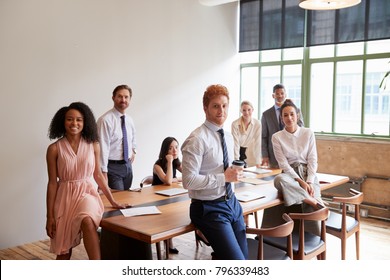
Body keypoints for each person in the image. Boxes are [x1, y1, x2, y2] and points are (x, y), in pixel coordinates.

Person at [46, 102, 129, 260]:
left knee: (87, 219)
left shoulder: (93, 145)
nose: (74, 123)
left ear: (85, 123)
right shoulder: (54, 149)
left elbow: (98, 174)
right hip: (64, 198)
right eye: (70, 119)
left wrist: (113, 200)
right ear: (63, 122)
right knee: (63, 252)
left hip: (87, 193)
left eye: (79, 120)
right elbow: (52, 183)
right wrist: (49, 216)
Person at [181, 84, 248, 260]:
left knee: (244, 260)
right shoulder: (197, 139)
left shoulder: (228, 136)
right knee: (237, 262)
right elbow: (188, 181)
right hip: (208, 208)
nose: (221, 110)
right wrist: (222, 177)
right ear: (205, 108)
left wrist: (235, 173)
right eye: (216, 106)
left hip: (232, 203)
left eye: (224, 105)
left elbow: (226, 169)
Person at [272, 99, 325, 234]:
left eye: (292, 114)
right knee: (278, 180)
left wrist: (309, 181)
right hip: (290, 175)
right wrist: (299, 182)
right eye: (285, 115)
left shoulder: (308, 133)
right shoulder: (276, 137)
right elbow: (283, 164)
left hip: (308, 173)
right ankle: (309, 199)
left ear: (297, 115)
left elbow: (313, 159)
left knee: (316, 214)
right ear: (281, 117)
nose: (289, 118)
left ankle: (316, 241)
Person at [97, 84, 137, 191]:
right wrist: (103, 173)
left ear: (130, 99)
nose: (123, 100)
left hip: (127, 166)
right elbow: (102, 149)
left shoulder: (129, 120)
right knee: (117, 200)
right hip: (112, 168)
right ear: (113, 98)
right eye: (119, 96)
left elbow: (133, 137)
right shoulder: (105, 120)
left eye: (126, 97)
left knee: (126, 198)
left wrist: (134, 150)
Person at [261, 84, 304, 168]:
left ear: (286, 95)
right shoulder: (266, 114)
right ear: (273, 95)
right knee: (274, 179)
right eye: (277, 93)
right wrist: (265, 155)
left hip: (293, 154)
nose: (280, 96)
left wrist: (292, 108)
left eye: (282, 93)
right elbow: (263, 136)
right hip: (274, 156)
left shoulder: (296, 110)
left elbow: (301, 128)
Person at [152, 136, 183, 254]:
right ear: (165, 151)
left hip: (170, 196)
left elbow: (188, 175)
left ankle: (169, 244)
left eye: (176, 147)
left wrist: (175, 178)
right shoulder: (158, 165)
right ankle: (168, 244)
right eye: (171, 148)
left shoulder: (176, 162)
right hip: (157, 198)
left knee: (173, 215)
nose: (175, 151)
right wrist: (169, 162)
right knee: (168, 217)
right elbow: (168, 181)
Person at [231, 100, 262, 168]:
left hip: (251, 154)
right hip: (238, 152)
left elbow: (258, 143)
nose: (246, 112)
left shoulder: (257, 124)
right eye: (244, 110)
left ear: (252, 110)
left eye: (249, 110)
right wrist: (236, 161)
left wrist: (258, 161)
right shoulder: (235, 124)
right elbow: (235, 144)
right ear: (241, 111)